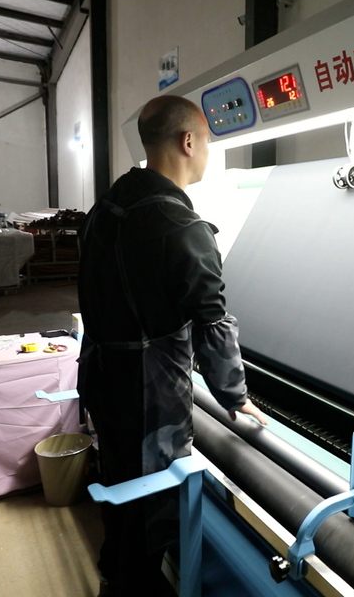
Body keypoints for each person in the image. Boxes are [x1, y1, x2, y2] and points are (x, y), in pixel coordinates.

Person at [76, 95, 267, 597]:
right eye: (207, 141)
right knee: (151, 510)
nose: (207, 152)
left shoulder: (104, 208)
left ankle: (111, 573)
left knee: (118, 488)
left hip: (101, 380)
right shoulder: (183, 227)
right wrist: (234, 396)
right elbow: (211, 322)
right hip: (148, 399)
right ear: (188, 142)